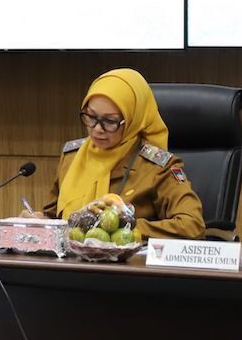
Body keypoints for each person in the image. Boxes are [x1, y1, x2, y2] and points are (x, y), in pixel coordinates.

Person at [38, 68, 204, 240]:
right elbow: (54, 217)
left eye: (110, 121)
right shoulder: (73, 156)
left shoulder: (156, 167)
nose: (97, 129)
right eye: (91, 117)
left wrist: (125, 228)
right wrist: (38, 221)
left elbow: (192, 225)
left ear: (133, 119)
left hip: (126, 256)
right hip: (68, 254)